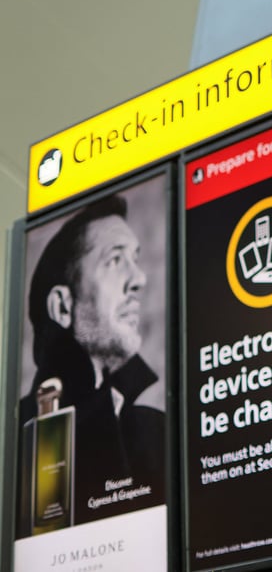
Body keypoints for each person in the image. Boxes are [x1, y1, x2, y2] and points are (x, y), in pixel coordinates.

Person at [17, 195, 164, 536]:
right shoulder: (18, 446)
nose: (139, 278)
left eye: (135, 258)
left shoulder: (156, 432)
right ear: (63, 308)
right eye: (114, 260)